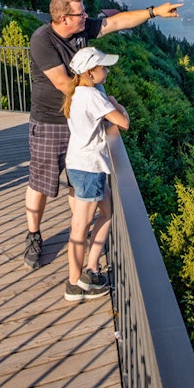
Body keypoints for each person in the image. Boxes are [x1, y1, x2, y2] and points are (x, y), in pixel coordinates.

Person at [21, 0, 182, 269]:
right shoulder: (42, 40)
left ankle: (79, 233)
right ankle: (33, 234)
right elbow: (62, 83)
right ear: (63, 19)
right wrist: (101, 104)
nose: (87, 17)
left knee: (77, 182)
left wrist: (154, 11)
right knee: (41, 182)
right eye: (80, 14)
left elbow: (116, 22)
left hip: (80, 121)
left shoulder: (82, 28)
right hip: (51, 121)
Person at [61, 47, 129, 302]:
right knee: (79, 228)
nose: (108, 70)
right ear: (91, 72)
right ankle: (74, 284)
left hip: (80, 164)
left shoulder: (77, 92)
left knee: (107, 212)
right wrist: (116, 104)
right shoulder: (92, 96)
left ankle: (91, 269)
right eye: (104, 67)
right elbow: (123, 122)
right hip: (89, 167)